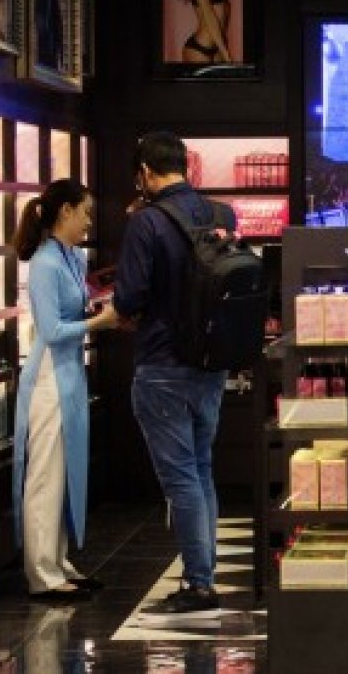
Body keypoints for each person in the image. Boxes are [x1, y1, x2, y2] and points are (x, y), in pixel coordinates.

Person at [113, 132, 237, 616]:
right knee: (201, 469)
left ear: (145, 172)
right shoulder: (220, 215)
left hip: (162, 363)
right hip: (211, 361)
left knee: (181, 476)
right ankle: (203, 575)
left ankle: (199, 584)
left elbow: (129, 298)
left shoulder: (146, 222)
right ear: (185, 166)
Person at [12, 178, 117, 600]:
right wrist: (99, 322)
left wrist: (97, 311)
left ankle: (58, 563)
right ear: (66, 211)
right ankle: (42, 573)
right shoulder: (44, 263)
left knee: (65, 472)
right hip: (48, 376)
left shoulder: (71, 257)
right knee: (46, 476)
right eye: (85, 212)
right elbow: (52, 330)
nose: (89, 221)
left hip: (69, 371)